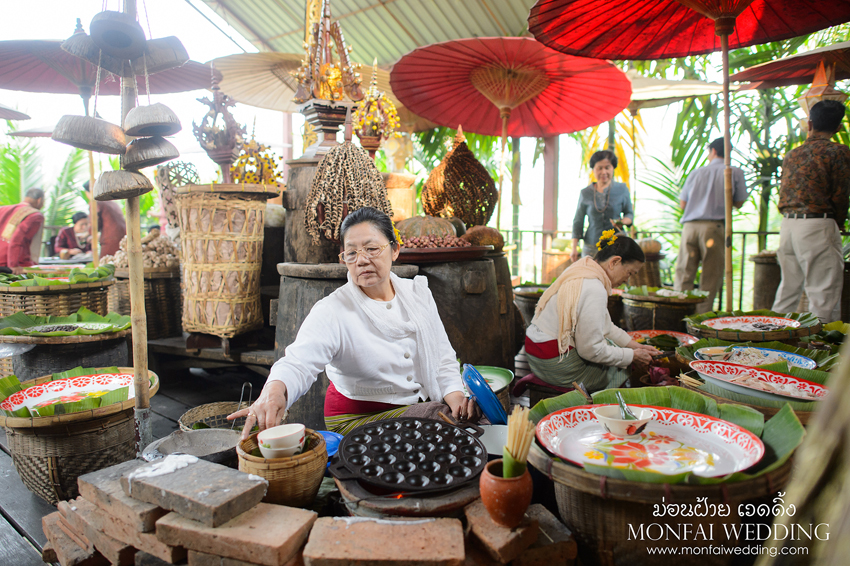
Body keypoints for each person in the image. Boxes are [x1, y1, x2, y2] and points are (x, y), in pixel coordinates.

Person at [229, 207, 479, 438]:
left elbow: (443, 358)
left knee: (470, 420)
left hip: (420, 406)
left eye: (372, 249)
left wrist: (456, 398)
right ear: (344, 259)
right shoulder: (333, 310)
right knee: (438, 422)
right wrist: (273, 392)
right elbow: (297, 363)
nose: (361, 260)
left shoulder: (418, 294)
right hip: (358, 418)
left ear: (395, 249)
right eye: (351, 253)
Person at [526, 230, 659, 392]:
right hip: (553, 362)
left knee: (614, 348)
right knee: (620, 368)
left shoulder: (583, 268)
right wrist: (632, 357)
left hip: (535, 351)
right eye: (629, 273)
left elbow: (605, 326)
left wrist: (635, 347)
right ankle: (597, 411)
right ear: (615, 262)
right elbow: (590, 350)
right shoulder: (594, 287)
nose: (627, 280)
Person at [772, 100, 850, 323]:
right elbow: (841, 194)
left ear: (810, 123)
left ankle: (769, 338)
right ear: (838, 127)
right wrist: (839, 222)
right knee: (823, 292)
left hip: (788, 226)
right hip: (818, 224)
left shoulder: (792, 154)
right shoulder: (838, 152)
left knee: (788, 290)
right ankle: (820, 348)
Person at [674, 137, 748, 313]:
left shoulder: (696, 172)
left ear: (713, 151)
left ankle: (678, 315)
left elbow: (683, 204)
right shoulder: (733, 172)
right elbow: (738, 202)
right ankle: (700, 320)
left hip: (690, 227)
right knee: (710, 276)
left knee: (684, 273)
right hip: (713, 227)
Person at [571, 150, 633, 262]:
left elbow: (629, 213)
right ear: (593, 170)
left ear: (613, 168)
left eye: (607, 167)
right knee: (590, 277)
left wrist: (622, 222)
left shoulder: (622, 189)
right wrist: (574, 248)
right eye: (599, 168)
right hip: (591, 246)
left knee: (616, 278)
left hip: (616, 246)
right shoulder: (585, 193)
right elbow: (578, 221)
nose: (604, 172)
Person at [0, 188, 45, 272]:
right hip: (13, 265)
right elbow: (17, 239)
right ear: (39, 200)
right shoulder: (35, 215)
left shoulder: (2, 209)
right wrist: (13, 265)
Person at [83, 181, 126, 256]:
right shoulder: (111, 202)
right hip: (124, 237)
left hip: (111, 240)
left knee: (106, 263)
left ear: (87, 192)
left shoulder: (96, 202)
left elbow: (94, 222)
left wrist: (89, 233)